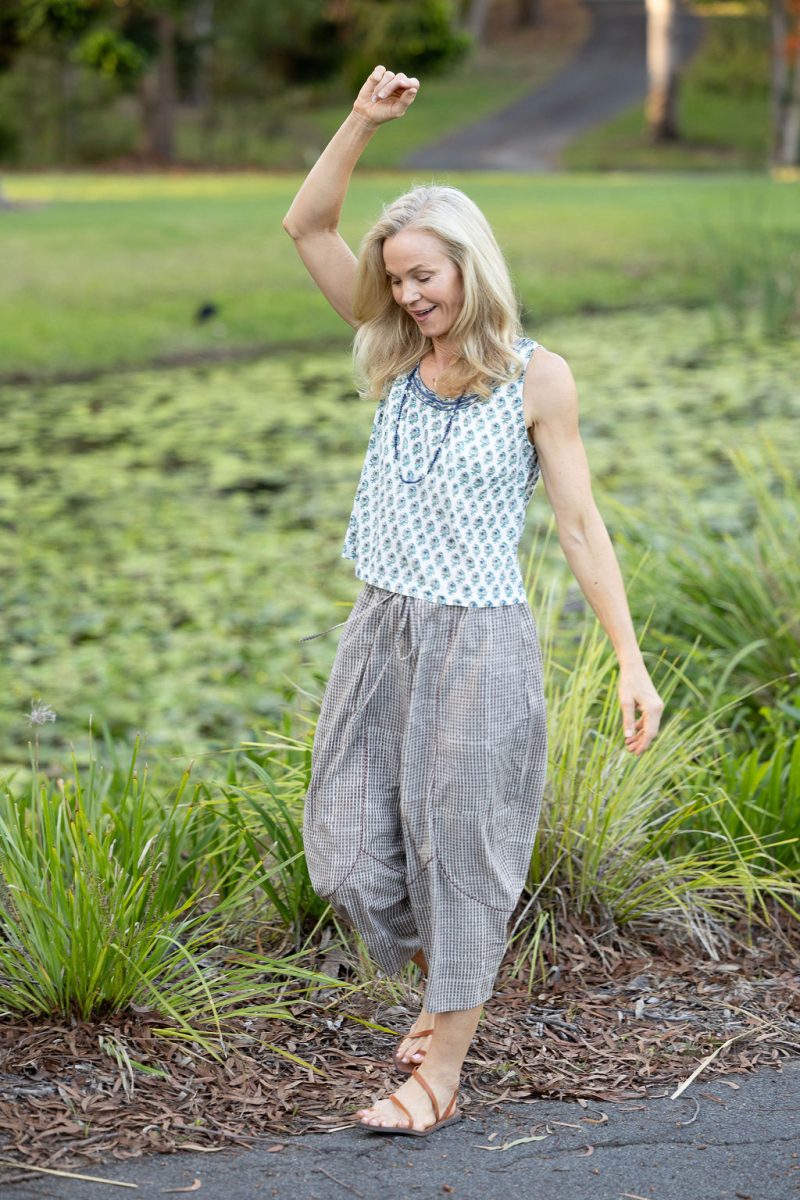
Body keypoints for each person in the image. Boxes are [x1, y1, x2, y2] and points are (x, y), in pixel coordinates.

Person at [282, 65, 664, 1138]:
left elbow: (580, 528)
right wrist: (358, 119)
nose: (407, 295)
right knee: (348, 855)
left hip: (479, 642)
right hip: (383, 628)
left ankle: (441, 1061)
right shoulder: (393, 353)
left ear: (467, 264)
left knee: (466, 849)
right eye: (395, 278)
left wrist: (630, 661)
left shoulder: (539, 377)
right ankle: (443, 992)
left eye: (423, 275)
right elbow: (306, 225)